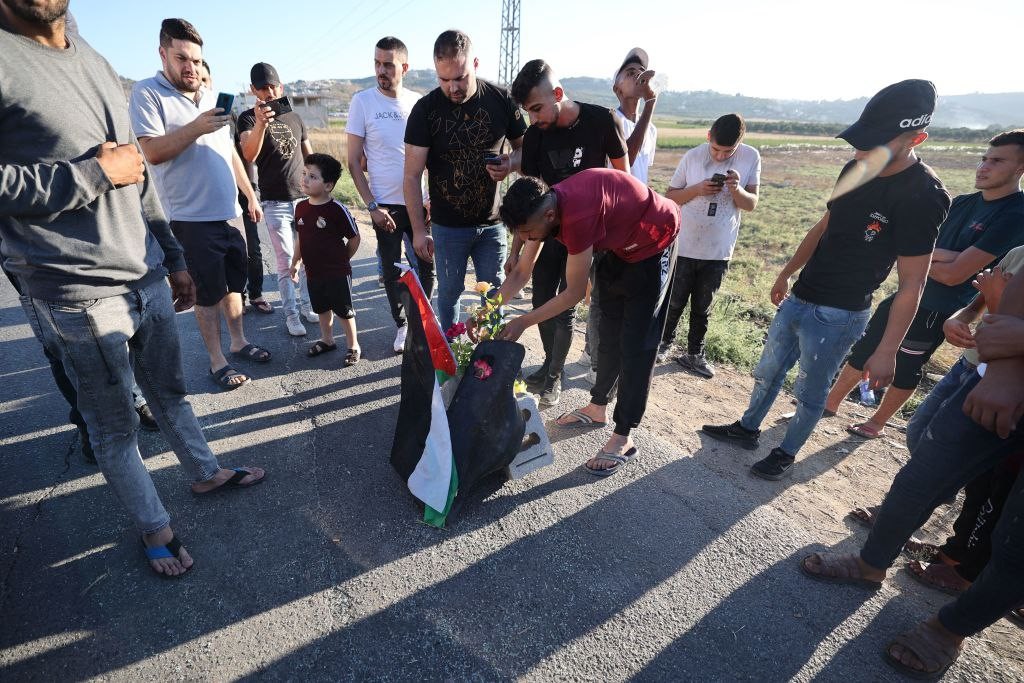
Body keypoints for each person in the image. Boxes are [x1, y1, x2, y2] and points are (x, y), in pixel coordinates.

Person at [0, 0, 265, 578]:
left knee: (170, 393)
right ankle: (155, 527)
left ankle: (205, 473)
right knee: (116, 426)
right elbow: (112, 167)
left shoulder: (90, 58)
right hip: (75, 291)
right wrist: (92, 175)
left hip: (144, 272)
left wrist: (172, 255)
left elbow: (137, 171)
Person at [702, 80, 951, 480]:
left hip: (841, 313)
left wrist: (887, 350)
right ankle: (747, 428)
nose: (859, 151)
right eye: (859, 140)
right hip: (802, 295)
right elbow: (824, 226)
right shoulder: (855, 167)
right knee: (768, 371)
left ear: (916, 138)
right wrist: (787, 273)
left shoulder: (924, 195)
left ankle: (785, 452)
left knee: (810, 392)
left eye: (872, 143)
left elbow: (912, 283)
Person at [798, 268, 1024, 679]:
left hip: (1001, 366)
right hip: (994, 379)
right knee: (921, 477)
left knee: (1017, 544)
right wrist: (1005, 371)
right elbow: (1012, 289)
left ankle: (949, 629)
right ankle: (870, 563)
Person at [825, 131, 1024, 438]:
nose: (983, 167)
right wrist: (945, 258)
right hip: (908, 292)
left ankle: (876, 423)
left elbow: (954, 275)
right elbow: (912, 250)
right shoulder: (962, 203)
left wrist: (930, 260)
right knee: (866, 347)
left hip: (939, 308)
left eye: (997, 161)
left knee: (906, 366)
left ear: (1020, 168)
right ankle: (828, 404)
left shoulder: (1016, 214)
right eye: (984, 158)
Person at [494, 169, 679, 476]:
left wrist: (523, 322)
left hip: (653, 241)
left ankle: (624, 436)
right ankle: (597, 408)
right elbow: (521, 272)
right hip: (618, 245)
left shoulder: (577, 217)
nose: (526, 240)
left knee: (637, 344)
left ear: (549, 215)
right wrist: (488, 310)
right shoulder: (542, 207)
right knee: (607, 333)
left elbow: (573, 293)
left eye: (528, 233)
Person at [130, 18, 271, 391]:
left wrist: (249, 194)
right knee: (206, 294)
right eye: (181, 58)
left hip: (230, 213)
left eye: (195, 60)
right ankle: (216, 360)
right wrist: (196, 127)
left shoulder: (210, 96)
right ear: (163, 54)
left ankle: (238, 342)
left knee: (234, 285)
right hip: (190, 218)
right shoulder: (147, 93)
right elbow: (151, 152)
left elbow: (230, 153)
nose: (190, 67)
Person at [490, 58, 628, 407]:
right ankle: (550, 365)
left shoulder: (602, 121)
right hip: (548, 228)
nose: (533, 118)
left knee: (567, 304)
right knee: (540, 299)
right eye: (527, 112)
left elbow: (623, 180)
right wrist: (516, 250)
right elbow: (529, 199)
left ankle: (553, 377)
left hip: (590, 235)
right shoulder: (536, 136)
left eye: (536, 109)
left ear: (558, 93)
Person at [403, 29, 527, 330]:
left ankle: (490, 352)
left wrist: (510, 163)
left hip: (492, 224)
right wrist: (418, 230)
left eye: (460, 77)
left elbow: (527, 150)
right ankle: (450, 352)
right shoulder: (425, 110)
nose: (453, 87)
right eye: (444, 79)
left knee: (494, 296)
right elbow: (411, 175)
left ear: (475, 64)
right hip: (447, 227)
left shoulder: (501, 99)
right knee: (449, 294)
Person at [347, 36, 433, 355]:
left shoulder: (418, 102)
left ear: (404, 68)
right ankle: (402, 325)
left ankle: (424, 321)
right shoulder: (362, 102)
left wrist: (430, 197)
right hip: (384, 206)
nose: (381, 70)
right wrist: (371, 206)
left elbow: (432, 156)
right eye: (377, 63)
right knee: (391, 270)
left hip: (419, 203)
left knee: (426, 266)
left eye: (388, 64)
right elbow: (353, 161)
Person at [659, 113, 761, 377]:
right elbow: (670, 197)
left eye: (728, 151)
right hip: (685, 243)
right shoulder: (693, 156)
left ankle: (695, 354)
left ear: (740, 143)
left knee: (703, 306)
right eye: (715, 149)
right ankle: (662, 344)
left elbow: (751, 204)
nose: (720, 156)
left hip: (719, 248)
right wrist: (697, 190)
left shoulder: (751, 157)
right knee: (674, 301)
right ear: (708, 137)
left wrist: (736, 189)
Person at [579, 47, 659, 381]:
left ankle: (598, 351)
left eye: (641, 72)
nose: (638, 77)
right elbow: (630, 154)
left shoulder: (650, 128)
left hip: (635, 220)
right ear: (617, 88)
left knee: (619, 289)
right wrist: (651, 104)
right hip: (610, 218)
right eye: (630, 73)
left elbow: (642, 173)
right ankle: (595, 357)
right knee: (603, 291)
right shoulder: (611, 120)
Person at [237, 61, 315, 337]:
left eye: (272, 87)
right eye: (262, 88)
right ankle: (291, 314)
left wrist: (320, 186)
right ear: (253, 90)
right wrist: (261, 123)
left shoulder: (294, 117)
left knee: (307, 257)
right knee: (285, 262)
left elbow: (309, 156)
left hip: (303, 199)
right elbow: (249, 154)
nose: (268, 92)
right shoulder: (248, 119)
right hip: (275, 202)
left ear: (281, 87)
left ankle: (307, 305)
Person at [200, 59, 273, 317]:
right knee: (222, 251)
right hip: (208, 195)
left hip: (240, 189)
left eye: (205, 80)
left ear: (211, 82)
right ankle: (235, 296)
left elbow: (242, 156)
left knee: (252, 247)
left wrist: (251, 192)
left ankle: (256, 293)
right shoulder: (188, 119)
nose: (201, 85)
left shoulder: (231, 116)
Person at [290, 154, 362, 366]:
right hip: (313, 271)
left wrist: (343, 259)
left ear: (328, 185)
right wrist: (295, 262)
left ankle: (353, 346)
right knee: (321, 308)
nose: (305, 179)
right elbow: (300, 238)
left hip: (337, 272)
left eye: (313, 176)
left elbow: (354, 237)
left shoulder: (337, 209)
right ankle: (327, 340)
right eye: (304, 173)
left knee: (344, 310)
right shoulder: (300, 207)